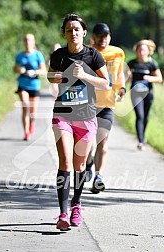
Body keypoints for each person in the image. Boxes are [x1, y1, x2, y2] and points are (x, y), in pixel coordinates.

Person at [47, 13, 109, 231]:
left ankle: (76, 205)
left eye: (76, 29)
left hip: (86, 117)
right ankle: (63, 213)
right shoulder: (58, 55)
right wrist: (63, 76)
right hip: (62, 114)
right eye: (68, 29)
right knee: (64, 163)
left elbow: (105, 84)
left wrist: (84, 75)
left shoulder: (93, 56)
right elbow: (50, 76)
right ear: (64, 33)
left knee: (80, 165)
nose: (73, 33)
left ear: (84, 32)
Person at [85, 23, 126, 194]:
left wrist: (121, 87)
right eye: (100, 35)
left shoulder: (118, 53)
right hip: (87, 104)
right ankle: (88, 163)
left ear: (110, 36)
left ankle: (98, 177)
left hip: (108, 103)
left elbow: (119, 73)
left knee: (103, 142)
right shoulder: (86, 52)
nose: (103, 39)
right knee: (87, 142)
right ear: (93, 37)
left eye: (106, 36)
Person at [127, 39, 163, 150]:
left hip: (148, 93)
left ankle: (143, 136)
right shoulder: (132, 63)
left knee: (145, 117)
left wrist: (149, 78)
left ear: (148, 51)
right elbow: (126, 77)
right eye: (139, 49)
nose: (141, 52)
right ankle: (141, 141)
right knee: (140, 116)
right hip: (135, 93)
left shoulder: (152, 63)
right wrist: (128, 78)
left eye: (143, 50)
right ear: (136, 51)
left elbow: (159, 78)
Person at [13, 33, 47, 140]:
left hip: (34, 85)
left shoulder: (38, 55)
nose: (28, 42)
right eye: (26, 40)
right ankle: (26, 132)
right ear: (24, 42)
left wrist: (34, 71)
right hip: (22, 84)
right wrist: (19, 70)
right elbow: (14, 69)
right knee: (25, 106)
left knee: (33, 113)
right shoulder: (20, 56)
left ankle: (32, 123)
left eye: (30, 40)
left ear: (33, 42)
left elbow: (43, 71)